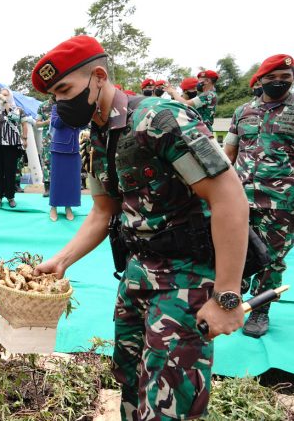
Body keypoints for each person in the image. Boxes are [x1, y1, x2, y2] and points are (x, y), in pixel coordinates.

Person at [31, 35, 248, 420]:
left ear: (98, 77)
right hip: (136, 275)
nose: (59, 103)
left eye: (65, 90)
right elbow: (102, 212)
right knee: (129, 384)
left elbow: (228, 198)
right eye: (53, 96)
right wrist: (61, 260)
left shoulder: (159, 119)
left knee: (169, 405)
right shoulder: (97, 136)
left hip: (185, 279)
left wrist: (227, 297)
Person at [223, 54, 294, 338]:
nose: (278, 83)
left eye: (285, 78)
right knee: (234, 250)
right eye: (272, 78)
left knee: (273, 259)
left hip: (282, 201)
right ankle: (231, 298)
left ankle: (261, 310)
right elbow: (229, 153)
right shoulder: (243, 112)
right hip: (240, 198)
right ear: (261, 79)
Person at [0, 88, 23, 208]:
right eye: (2, 95)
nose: (3, 97)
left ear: (10, 96)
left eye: (6, 95)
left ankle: (10, 197)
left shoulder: (16, 109)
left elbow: (14, 118)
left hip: (10, 146)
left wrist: (5, 102)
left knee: (10, 172)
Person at [48, 104, 82, 221]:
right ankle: (53, 207)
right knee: (57, 179)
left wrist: (82, 114)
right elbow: (55, 123)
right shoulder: (57, 107)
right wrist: (67, 111)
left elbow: (83, 125)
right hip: (59, 148)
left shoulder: (78, 107)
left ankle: (68, 207)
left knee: (71, 180)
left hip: (74, 148)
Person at [36, 96, 53, 197]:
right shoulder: (43, 106)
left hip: (63, 138)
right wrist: (46, 122)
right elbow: (37, 124)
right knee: (47, 161)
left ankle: (61, 187)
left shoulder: (65, 104)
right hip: (48, 138)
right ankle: (47, 188)